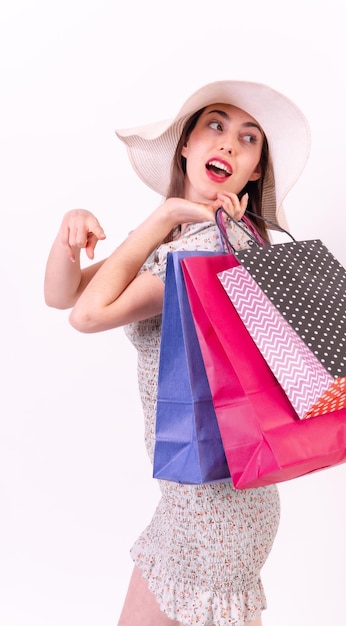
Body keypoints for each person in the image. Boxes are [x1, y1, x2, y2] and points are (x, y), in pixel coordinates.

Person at [44, 80, 311, 626]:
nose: (229, 144)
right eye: (215, 125)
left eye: (249, 138)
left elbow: (87, 315)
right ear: (185, 144)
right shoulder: (210, 239)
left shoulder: (203, 248)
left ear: (255, 170)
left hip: (210, 505)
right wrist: (68, 233)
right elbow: (63, 293)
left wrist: (165, 215)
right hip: (215, 496)